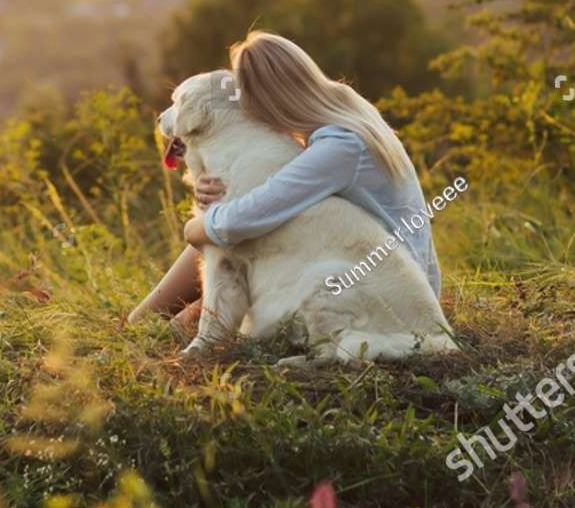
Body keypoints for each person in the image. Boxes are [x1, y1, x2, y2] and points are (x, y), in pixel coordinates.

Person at [127, 31, 442, 333]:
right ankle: (147, 321)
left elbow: (242, 219)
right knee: (187, 318)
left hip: (382, 290)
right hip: (368, 270)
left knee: (226, 232)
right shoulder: (348, 108)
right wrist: (209, 192)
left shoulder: (339, 147)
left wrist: (195, 227)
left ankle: (139, 322)